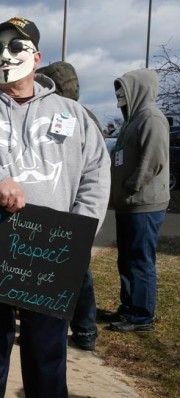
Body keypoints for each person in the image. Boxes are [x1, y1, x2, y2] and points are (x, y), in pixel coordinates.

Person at [0, 17, 110, 397]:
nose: (4, 54)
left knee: (47, 356)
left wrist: (76, 236)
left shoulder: (73, 115)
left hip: (50, 256)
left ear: (36, 56)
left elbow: (96, 174)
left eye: (15, 46)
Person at [37, 61, 100, 351]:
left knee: (69, 273)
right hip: (56, 205)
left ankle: (79, 329)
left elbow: (96, 169)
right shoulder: (88, 116)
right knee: (71, 272)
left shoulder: (73, 117)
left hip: (65, 207)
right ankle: (82, 329)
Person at [106, 69, 169, 332]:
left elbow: (153, 160)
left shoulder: (151, 118)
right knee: (127, 258)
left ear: (138, 88)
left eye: (123, 89)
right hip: (129, 204)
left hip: (143, 203)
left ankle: (142, 316)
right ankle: (129, 306)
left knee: (140, 259)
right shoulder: (132, 120)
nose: (120, 96)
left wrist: (131, 185)